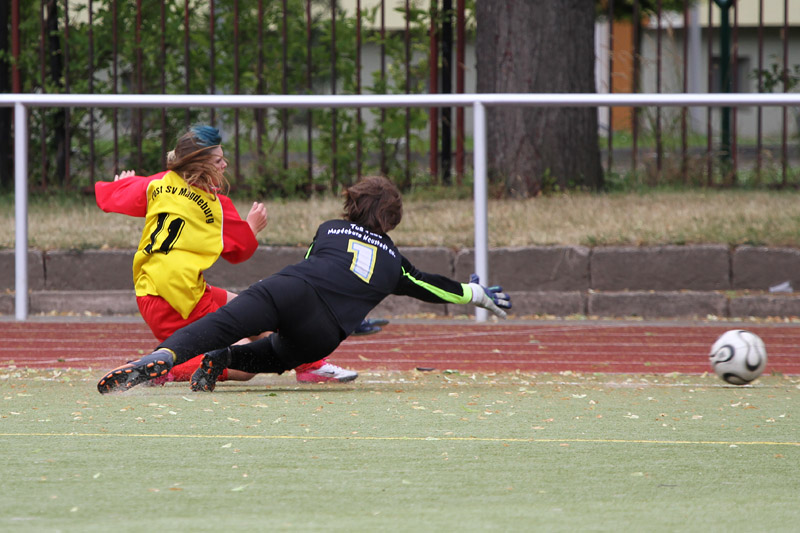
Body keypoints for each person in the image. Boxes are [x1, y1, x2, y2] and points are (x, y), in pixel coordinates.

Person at [97, 175, 511, 394]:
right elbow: (433, 288)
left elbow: (317, 268)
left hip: (287, 289)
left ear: (351, 205)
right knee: (276, 355)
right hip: (323, 329)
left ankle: (163, 356)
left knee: (222, 323)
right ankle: (223, 360)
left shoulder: (329, 229)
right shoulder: (393, 262)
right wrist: (476, 293)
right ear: (392, 219)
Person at [94, 124, 361, 384]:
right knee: (244, 364)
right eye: (218, 160)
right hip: (178, 298)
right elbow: (239, 253)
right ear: (199, 166)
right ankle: (161, 369)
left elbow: (108, 198)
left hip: (158, 289)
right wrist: (252, 227)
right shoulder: (217, 207)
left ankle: (310, 366)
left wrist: (124, 183)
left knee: (263, 313)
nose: (225, 165)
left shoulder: (157, 183)